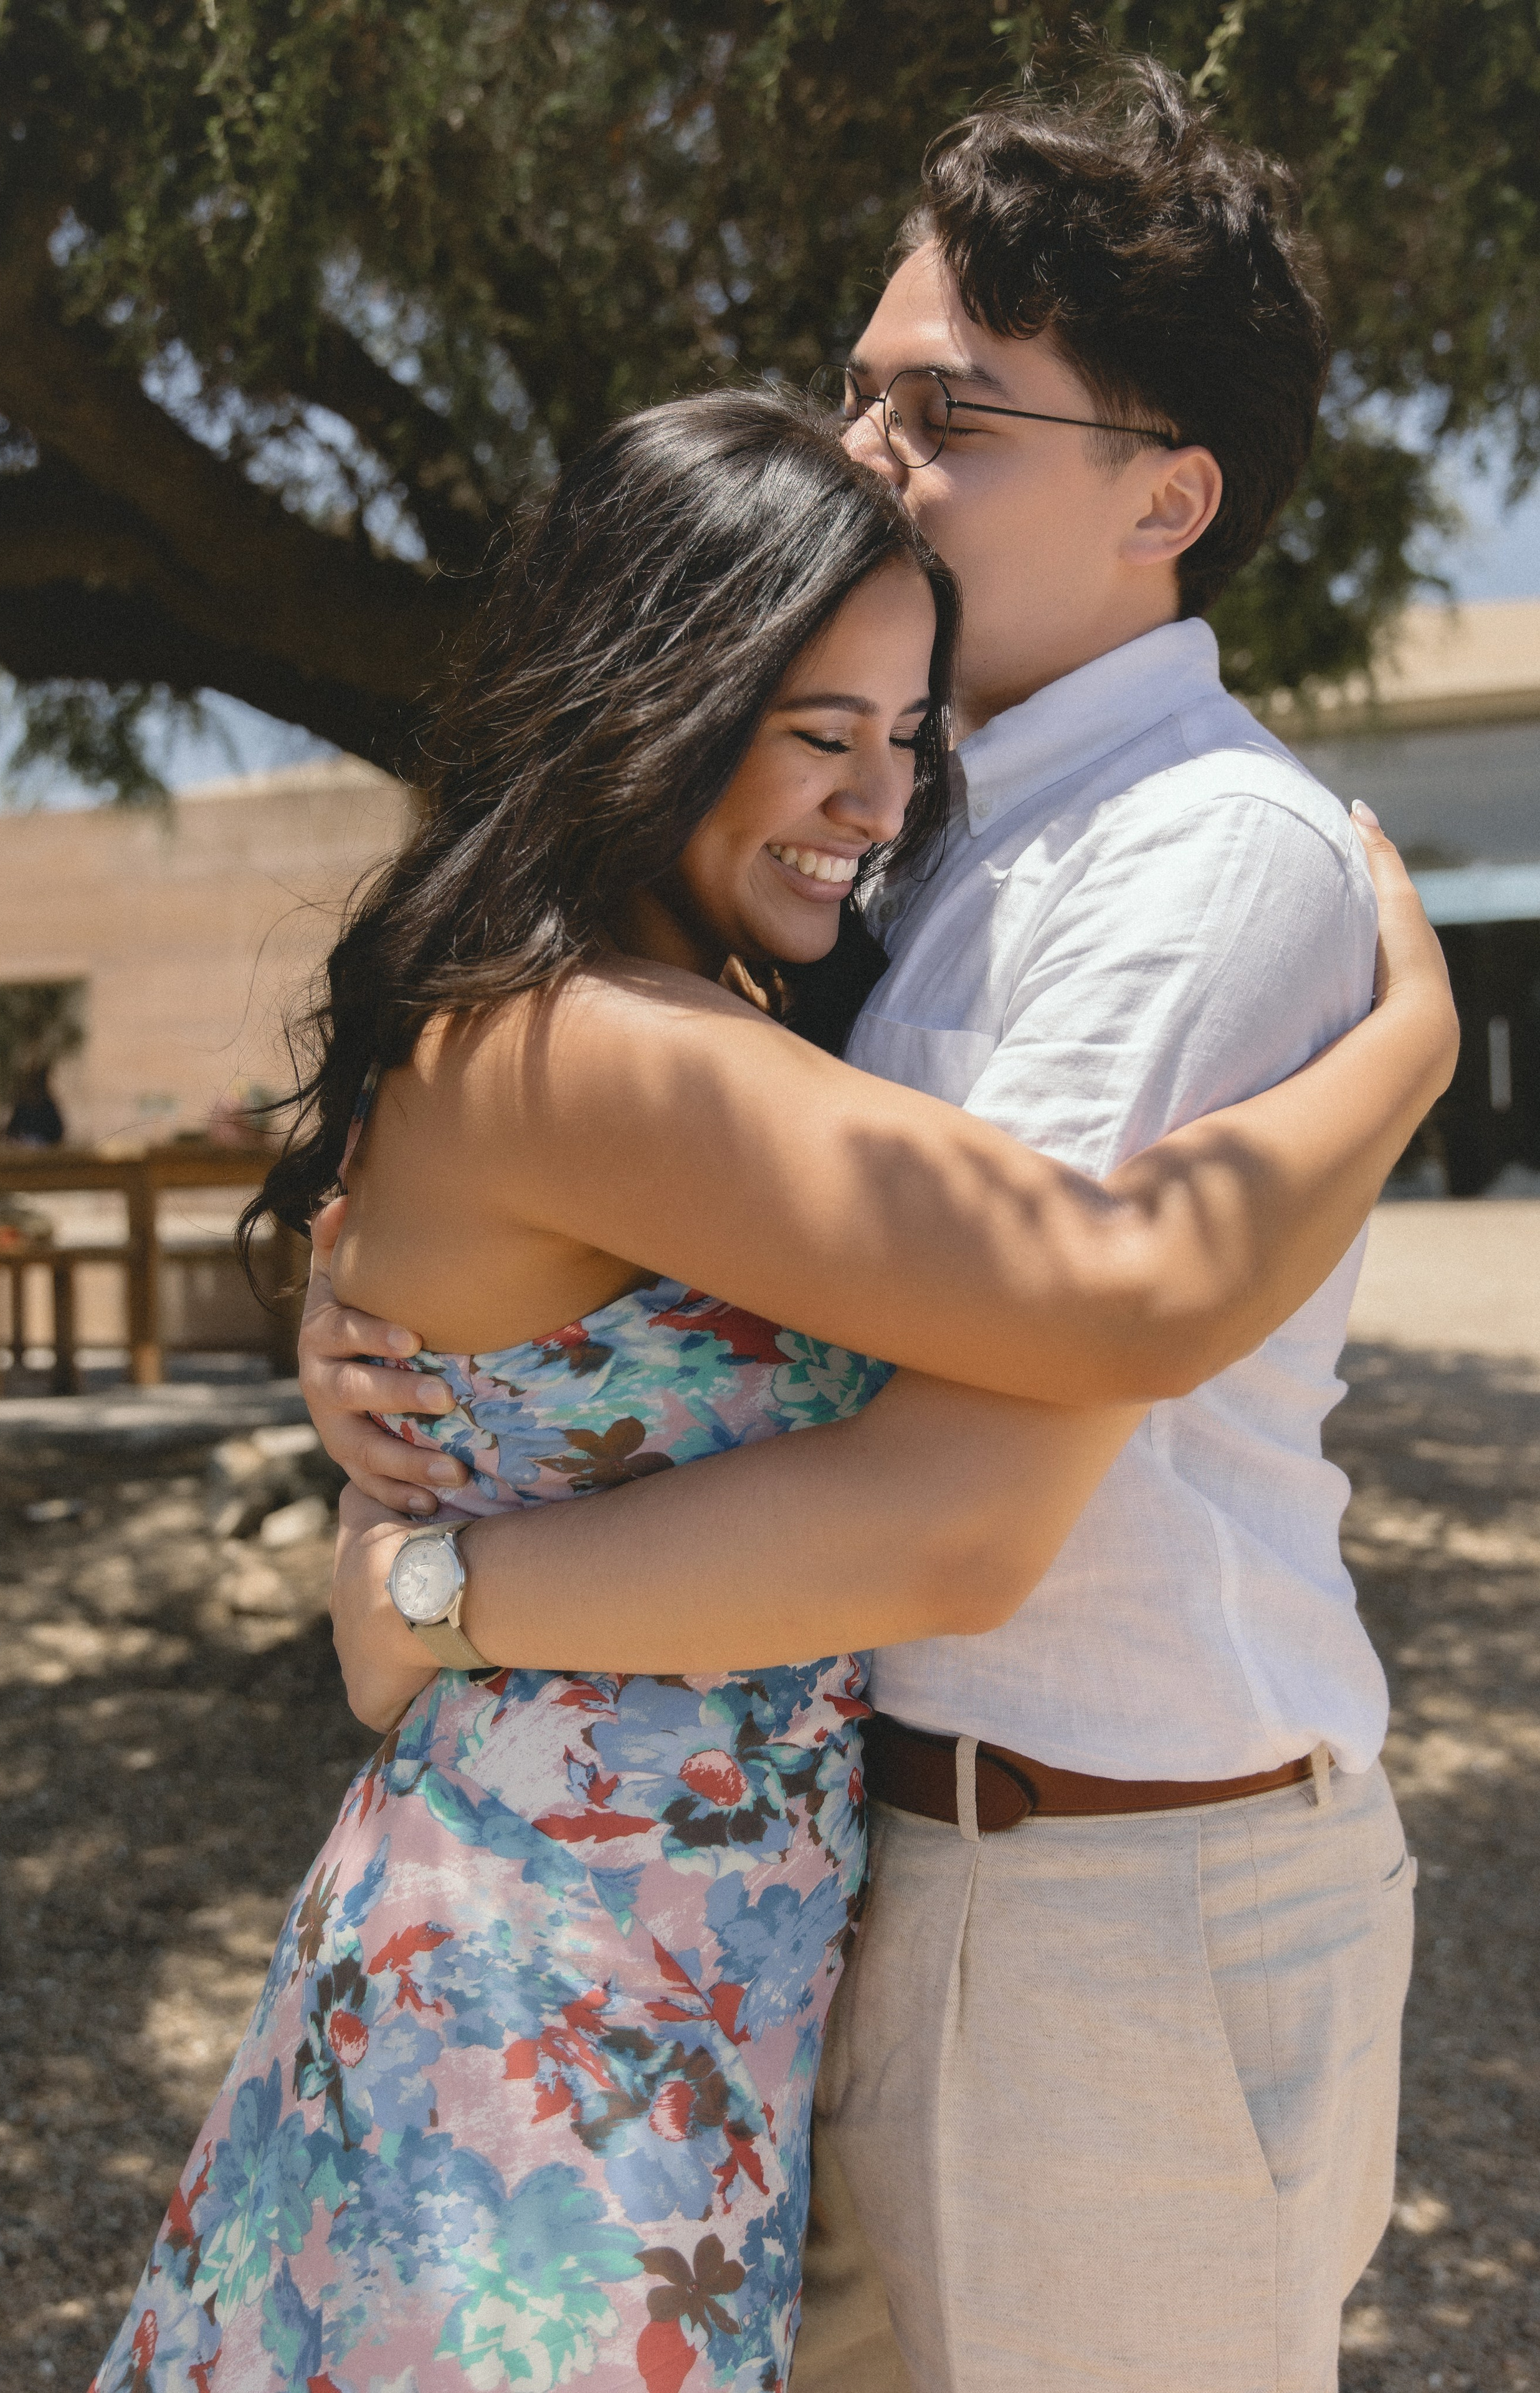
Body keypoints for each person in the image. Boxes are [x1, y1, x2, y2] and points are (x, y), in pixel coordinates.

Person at [303, 58, 1450, 2393]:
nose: (863, 457)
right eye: (852, 391)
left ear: (1173, 498)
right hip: (849, 1878)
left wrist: (438, 1583)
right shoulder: (906, 840)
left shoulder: (1187, 860)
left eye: (947, 410)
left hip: (1104, 1894)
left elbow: (965, 1498)